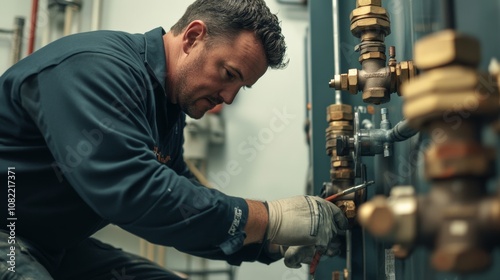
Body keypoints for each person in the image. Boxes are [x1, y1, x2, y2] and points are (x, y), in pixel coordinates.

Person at [0, 0, 348, 279]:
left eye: (241, 88)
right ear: (193, 36)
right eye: (228, 75)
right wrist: (269, 218)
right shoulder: (96, 69)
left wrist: (268, 242)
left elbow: (181, 196)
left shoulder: (166, 105)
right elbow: (137, 192)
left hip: (52, 245)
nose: (228, 98)